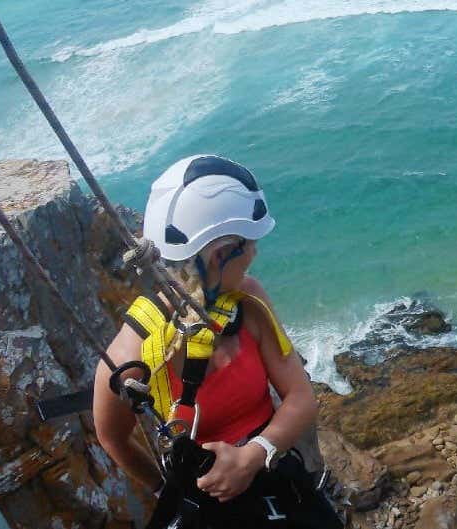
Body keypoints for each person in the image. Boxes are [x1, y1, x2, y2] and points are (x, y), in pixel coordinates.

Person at [91, 154, 339, 528]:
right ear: (220, 254)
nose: (255, 253)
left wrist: (254, 455)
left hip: (270, 467)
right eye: (249, 243)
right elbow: (112, 437)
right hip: (207, 496)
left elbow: (301, 397)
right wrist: (165, 488)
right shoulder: (133, 355)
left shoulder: (248, 302)